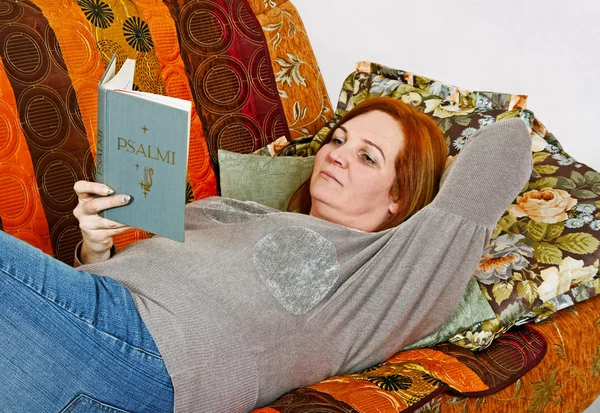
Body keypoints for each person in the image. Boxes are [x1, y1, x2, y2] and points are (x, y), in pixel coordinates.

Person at [0, 97, 533, 412]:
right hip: (88, 329)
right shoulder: (234, 208)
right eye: (338, 139)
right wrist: (97, 246)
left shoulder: (386, 273)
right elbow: (106, 292)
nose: (337, 156)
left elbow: (504, 150)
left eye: (367, 156)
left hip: (149, 357)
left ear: (400, 197)